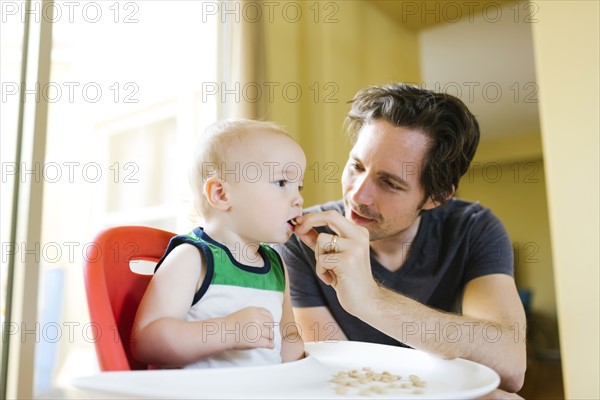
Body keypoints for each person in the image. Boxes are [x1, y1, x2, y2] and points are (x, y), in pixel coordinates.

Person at [278, 83, 527, 393]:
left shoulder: (473, 229)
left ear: (437, 196)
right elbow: (338, 374)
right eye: (356, 166)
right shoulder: (304, 238)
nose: (358, 195)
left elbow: (511, 365)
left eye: (390, 183)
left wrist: (370, 299)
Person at [132, 119, 306, 368]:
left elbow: (288, 339)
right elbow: (146, 341)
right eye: (281, 183)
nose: (299, 198)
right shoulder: (192, 258)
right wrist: (227, 331)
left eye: (299, 186)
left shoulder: (276, 266)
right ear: (221, 194)